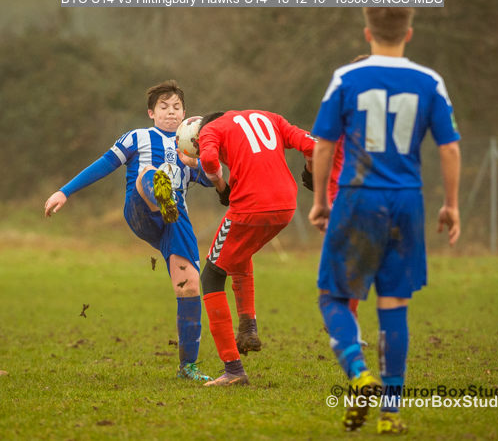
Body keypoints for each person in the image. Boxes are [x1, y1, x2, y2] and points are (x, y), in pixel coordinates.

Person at [309, 8, 461, 434]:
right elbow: (450, 148)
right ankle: (390, 415)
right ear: (408, 33)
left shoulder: (346, 78)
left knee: (332, 296)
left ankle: (359, 374)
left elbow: (324, 144)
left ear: (367, 32)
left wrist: (320, 201)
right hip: (406, 201)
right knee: (394, 305)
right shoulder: (430, 81)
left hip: (358, 197)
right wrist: (451, 205)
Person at [44, 80, 215, 382]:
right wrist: (65, 191)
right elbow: (105, 164)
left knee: (189, 286)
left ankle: (188, 367)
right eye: (164, 107)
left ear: (185, 113)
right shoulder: (138, 137)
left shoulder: (190, 148)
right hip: (141, 208)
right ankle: (161, 196)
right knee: (150, 173)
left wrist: (202, 162)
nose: (171, 112)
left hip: (176, 221)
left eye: (177, 107)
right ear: (151, 113)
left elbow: (215, 178)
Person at [182, 110, 315, 386]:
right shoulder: (270, 117)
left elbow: (209, 159)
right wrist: (311, 171)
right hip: (286, 207)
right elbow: (313, 144)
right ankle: (248, 329)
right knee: (239, 254)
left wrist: (221, 186)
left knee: (211, 276)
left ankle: (233, 369)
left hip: (249, 208)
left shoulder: (210, 129)